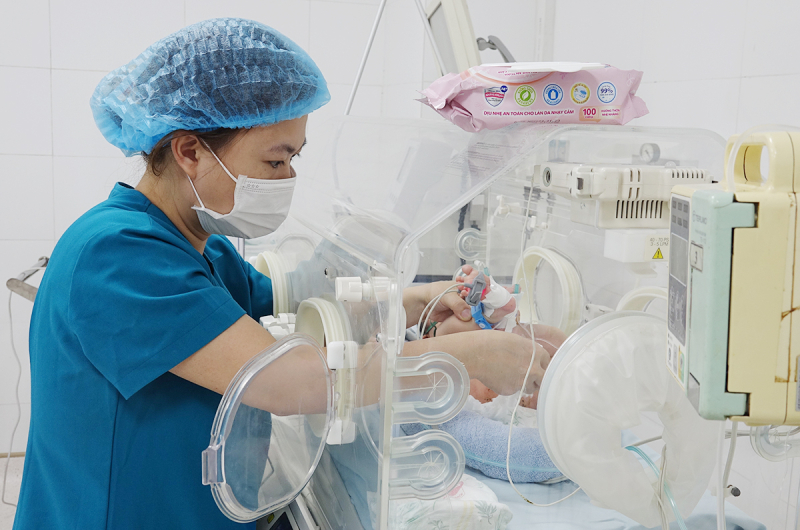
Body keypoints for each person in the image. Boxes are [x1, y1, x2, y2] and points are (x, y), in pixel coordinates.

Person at [12, 18, 551, 530]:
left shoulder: (200, 244)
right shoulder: (119, 255)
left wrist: (420, 300)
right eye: (275, 161)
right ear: (190, 152)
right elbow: (291, 380)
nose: (289, 177)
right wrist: (467, 356)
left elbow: (292, 301)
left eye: (294, 158)